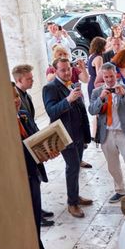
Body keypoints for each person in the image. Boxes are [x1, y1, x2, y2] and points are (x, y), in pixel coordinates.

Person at [11, 86, 62, 249]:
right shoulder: (1, 125)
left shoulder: (23, 114)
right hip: (17, 178)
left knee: (34, 215)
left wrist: (48, 150)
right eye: (11, 98)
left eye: (16, 96)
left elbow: (36, 138)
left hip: (33, 173)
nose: (16, 100)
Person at [43, 57, 93, 218]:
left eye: (68, 69)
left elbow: (80, 109)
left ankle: (75, 195)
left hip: (78, 134)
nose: (66, 72)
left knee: (76, 167)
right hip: (65, 136)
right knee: (72, 168)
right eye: (62, 70)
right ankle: (72, 203)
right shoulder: (50, 88)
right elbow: (52, 111)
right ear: (55, 71)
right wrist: (68, 100)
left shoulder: (71, 84)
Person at [88, 63, 125, 204]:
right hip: (106, 134)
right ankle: (120, 191)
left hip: (124, 133)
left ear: (116, 75)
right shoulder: (97, 92)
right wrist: (101, 98)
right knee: (113, 166)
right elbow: (92, 110)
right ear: (102, 76)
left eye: (111, 76)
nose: (108, 79)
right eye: (106, 76)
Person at [12, 64, 55, 226]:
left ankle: (38, 209)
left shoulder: (26, 96)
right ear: (19, 80)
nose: (32, 81)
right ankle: (36, 215)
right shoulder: (18, 99)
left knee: (36, 185)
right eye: (29, 79)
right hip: (26, 157)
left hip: (32, 147)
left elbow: (30, 121)